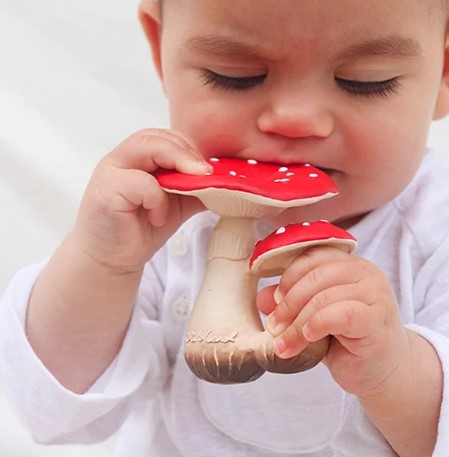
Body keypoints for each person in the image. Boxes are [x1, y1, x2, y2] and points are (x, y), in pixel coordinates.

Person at [1, 0, 449, 455]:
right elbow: (53, 414)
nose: (295, 120)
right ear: (160, 52)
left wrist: (394, 372)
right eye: (235, 75)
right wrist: (102, 263)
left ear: (443, 74)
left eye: (364, 82)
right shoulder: (158, 217)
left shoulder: (438, 232)